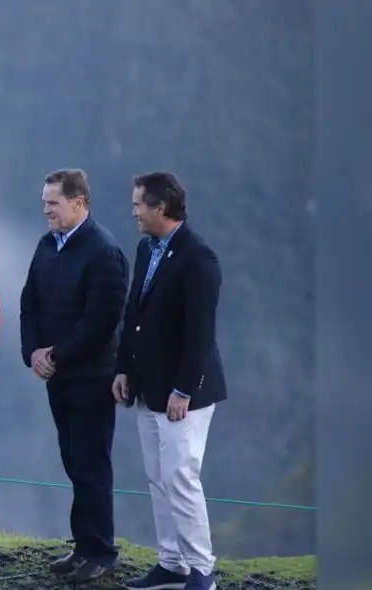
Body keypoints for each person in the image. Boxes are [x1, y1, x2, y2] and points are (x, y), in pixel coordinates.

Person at [114, 172, 226, 590]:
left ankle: (202, 570)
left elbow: (200, 334)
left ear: (161, 207)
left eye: (139, 204)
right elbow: (135, 312)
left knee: (181, 477)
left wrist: (184, 390)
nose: (134, 212)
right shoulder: (148, 249)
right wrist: (123, 367)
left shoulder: (199, 258)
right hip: (148, 386)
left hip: (185, 394)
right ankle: (172, 563)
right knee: (158, 477)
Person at [18, 169, 129, 583]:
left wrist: (57, 355)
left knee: (90, 463)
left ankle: (100, 551)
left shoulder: (103, 251)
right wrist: (33, 353)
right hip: (59, 378)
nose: (46, 209)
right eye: (44, 201)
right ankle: (83, 547)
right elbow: (30, 301)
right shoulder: (48, 245)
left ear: (79, 202)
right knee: (72, 459)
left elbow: (102, 319)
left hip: (91, 378)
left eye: (54, 202)